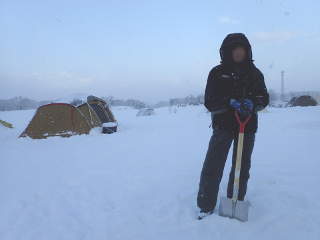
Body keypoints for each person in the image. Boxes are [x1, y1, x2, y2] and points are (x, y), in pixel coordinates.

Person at [197, 33, 269, 219]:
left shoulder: (254, 73)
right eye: (234, 50)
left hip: (247, 126)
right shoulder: (217, 73)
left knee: (242, 167)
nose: (238, 53)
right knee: (213, 165)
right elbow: (209, 101)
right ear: (227, 52)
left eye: (241, 49)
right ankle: (205, 205)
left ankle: (235, 201)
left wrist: (253, 103)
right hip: (223, 126)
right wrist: (228, 102)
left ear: (247, 51)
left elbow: (263, 98)